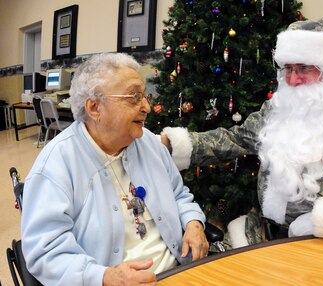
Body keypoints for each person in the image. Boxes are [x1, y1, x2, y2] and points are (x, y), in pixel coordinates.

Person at [160, 17, 323, 248]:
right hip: (257, 237)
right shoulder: (278, 110)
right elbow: (234, 139)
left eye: (304, 68)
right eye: (288, 68)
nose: (293, 80)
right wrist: (171, 144)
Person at [21, 53, 208, 286]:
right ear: (94, 107)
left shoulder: (149, 144)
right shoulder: (55, 166)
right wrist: (105, 277)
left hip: (179, 272)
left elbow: (179, 195)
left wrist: (193, 224)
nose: (147, 107)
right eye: (134, 97)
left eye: (144, 96)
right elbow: (46, 253)